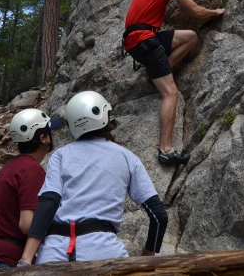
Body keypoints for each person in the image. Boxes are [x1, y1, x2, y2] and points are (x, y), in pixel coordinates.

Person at [17, 91, 168, 266]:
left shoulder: (60, 155)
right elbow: (159, 216)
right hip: (104, 255)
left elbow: (48, 203)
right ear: (104, 117)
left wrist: (26, 258)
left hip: (54, 255)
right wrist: (146, 258)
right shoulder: (127, 157)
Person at [123, 0, 225, 165]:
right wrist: (216, 12)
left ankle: (159, 72)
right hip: (146, 41)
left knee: (190, 37)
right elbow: (195, 11)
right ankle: (166, 151)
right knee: (171, 94)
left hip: (139, 39)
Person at [0, 108, 62, 269]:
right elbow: (27, 225)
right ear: (43, 138)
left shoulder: (12, 165)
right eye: (50, 132)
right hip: (6, 260)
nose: (53, 136)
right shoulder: (31, 170)